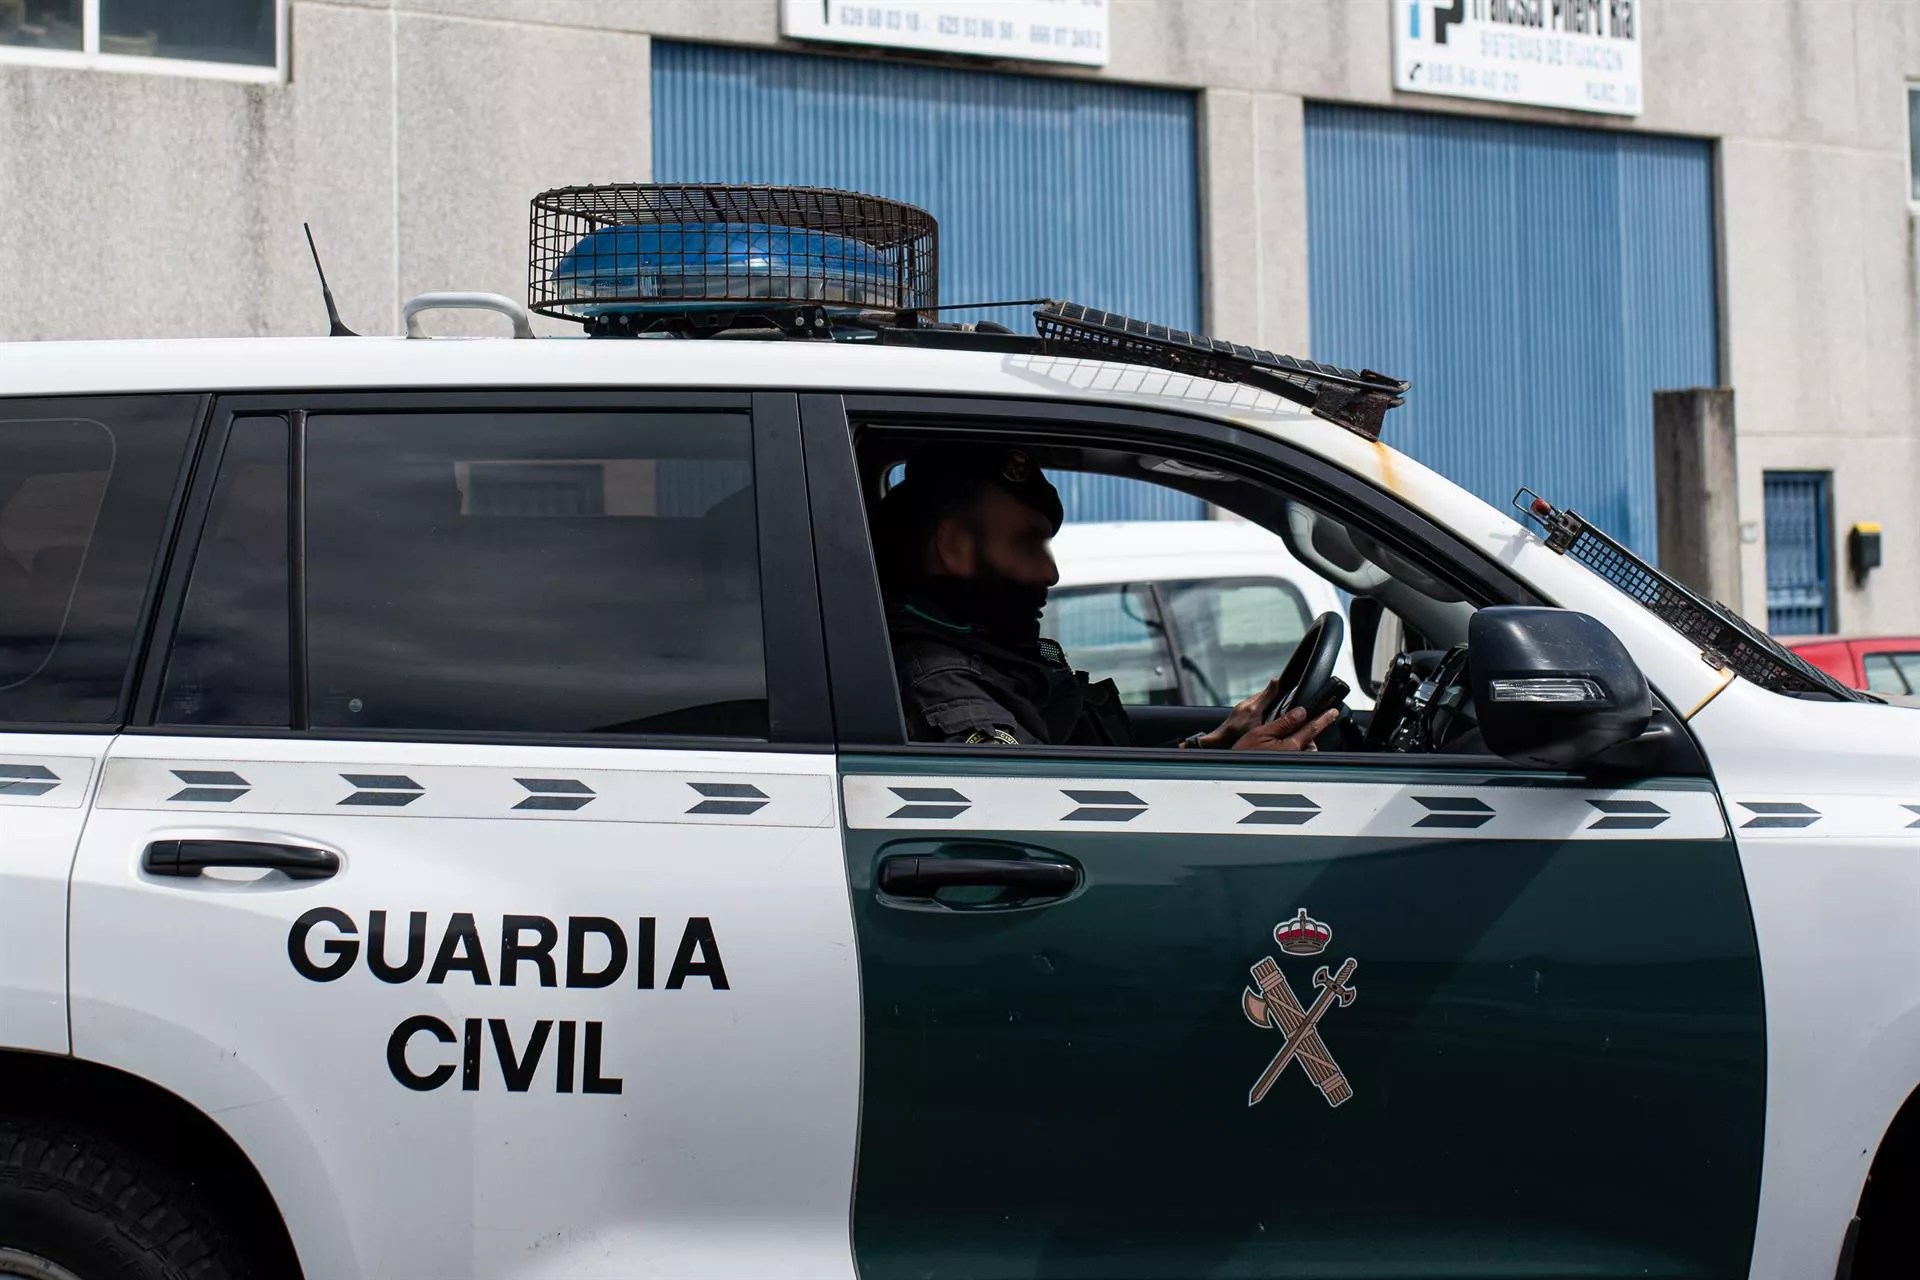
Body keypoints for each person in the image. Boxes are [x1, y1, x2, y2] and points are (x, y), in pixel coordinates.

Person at [872, 443, 1339, 750]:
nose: (1050, 574)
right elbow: (1044, 825)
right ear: (955, 546)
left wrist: (1209, 749)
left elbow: (1088, 786)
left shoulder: (992, 662)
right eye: (1026, 544)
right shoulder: (946, 691)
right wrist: (1236, 782)